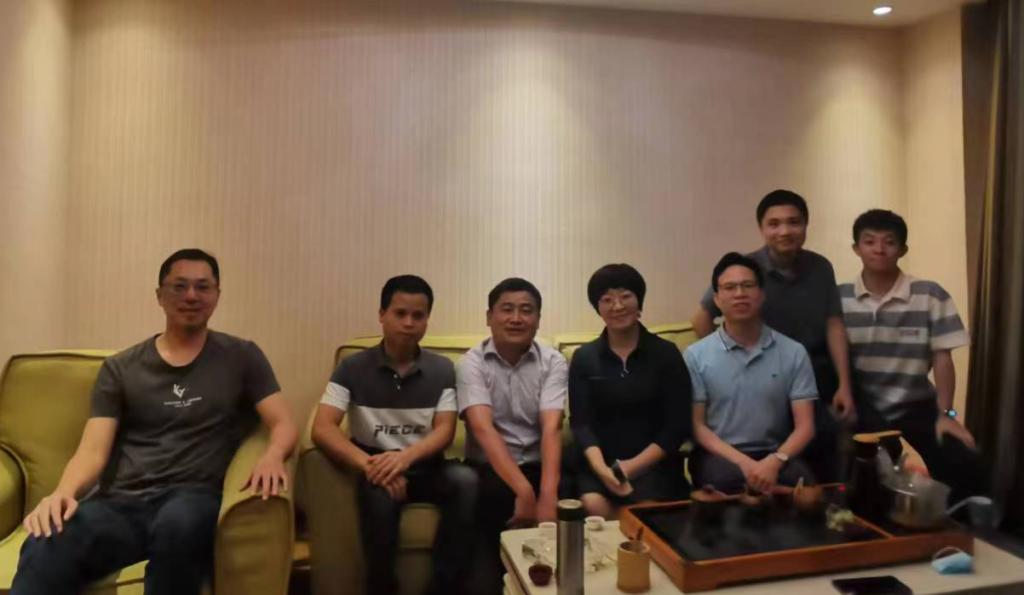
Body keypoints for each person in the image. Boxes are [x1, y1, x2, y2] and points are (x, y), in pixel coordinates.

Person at [13, 248, 297, 595]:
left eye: (202, 287)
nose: (191, 296)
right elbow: (92, 451)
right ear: (160, 295)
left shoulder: (242, 357)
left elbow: (283, 422)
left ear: (217, 295)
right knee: (47, 539)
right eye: (179, 286)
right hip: (121, 505)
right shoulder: (121, 368)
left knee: (180, 526)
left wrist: (272, 455)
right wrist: (62, 494)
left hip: (193, 499)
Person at [311, 275, 477, 595]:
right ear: (382, 314)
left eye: (418, 315)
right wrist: (370, 465)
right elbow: (323, 427)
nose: (409, 323)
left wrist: (404, 459)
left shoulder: (443, 369)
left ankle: (443, 588)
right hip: (374, 468)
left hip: (425, 465)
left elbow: (445, 430)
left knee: (466, 481)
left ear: (427, 319)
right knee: (379, 501)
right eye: (400, 313)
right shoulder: (352, 367)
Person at [689, 189, 854, 482]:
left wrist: (844, 384)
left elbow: (834, 323)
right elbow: (701, 317)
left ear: (806, 225)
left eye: (793, 222)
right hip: (763, 369)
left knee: (830, 445)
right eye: (774, 224)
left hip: (807, 368)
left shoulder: (820, 267)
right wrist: (728, 352)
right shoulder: (744, 270)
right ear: (761, 228)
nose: (785, 231)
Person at [840, 209, 986, 503]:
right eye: (869, 241)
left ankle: (959, 524)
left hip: (917, 403)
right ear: (856, 248)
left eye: (889, 242)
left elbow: (943, 358)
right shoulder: (838, 298)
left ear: (903, 249)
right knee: (860, 476)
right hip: (862, 406)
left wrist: (948, 415)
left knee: (963, 459)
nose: (879, 249)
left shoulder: (930, 294)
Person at [456, 278, 567, 594]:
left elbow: (551, 427)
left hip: (537, 463)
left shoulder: (553, 361)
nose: (516, 318)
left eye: (526, 310)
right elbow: (483, 428)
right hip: (491, 467)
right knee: (490, 497)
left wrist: (547, 495)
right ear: (489, 316)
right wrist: (524, 491)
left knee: (570, 498)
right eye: (507, 309)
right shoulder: (471, 363)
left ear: (538, 319)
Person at [684, 252, 818, 494]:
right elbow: (697, 426)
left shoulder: (793, 352)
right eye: (730, 287)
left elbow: (805, 426)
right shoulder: (696, 355)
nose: (739, 294)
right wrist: (746, 464)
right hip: (720, 454)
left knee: (806, 490)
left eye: (747, 285)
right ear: (717, 299)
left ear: (762, 294)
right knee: (727, 484)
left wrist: (775, 461)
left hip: (776, 453)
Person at [569, 264, 692, 518]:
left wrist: (630, 468)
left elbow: (677, 426)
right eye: (607, 300)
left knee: (641, 514)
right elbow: (581, 423)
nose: (617, 306)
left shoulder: (666, 354)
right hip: (600, 463)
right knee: (593, 505)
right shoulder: (584, 357)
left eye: (625, 296)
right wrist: (603, 469)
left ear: (639, 302)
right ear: (598, 308)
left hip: (654, 464)